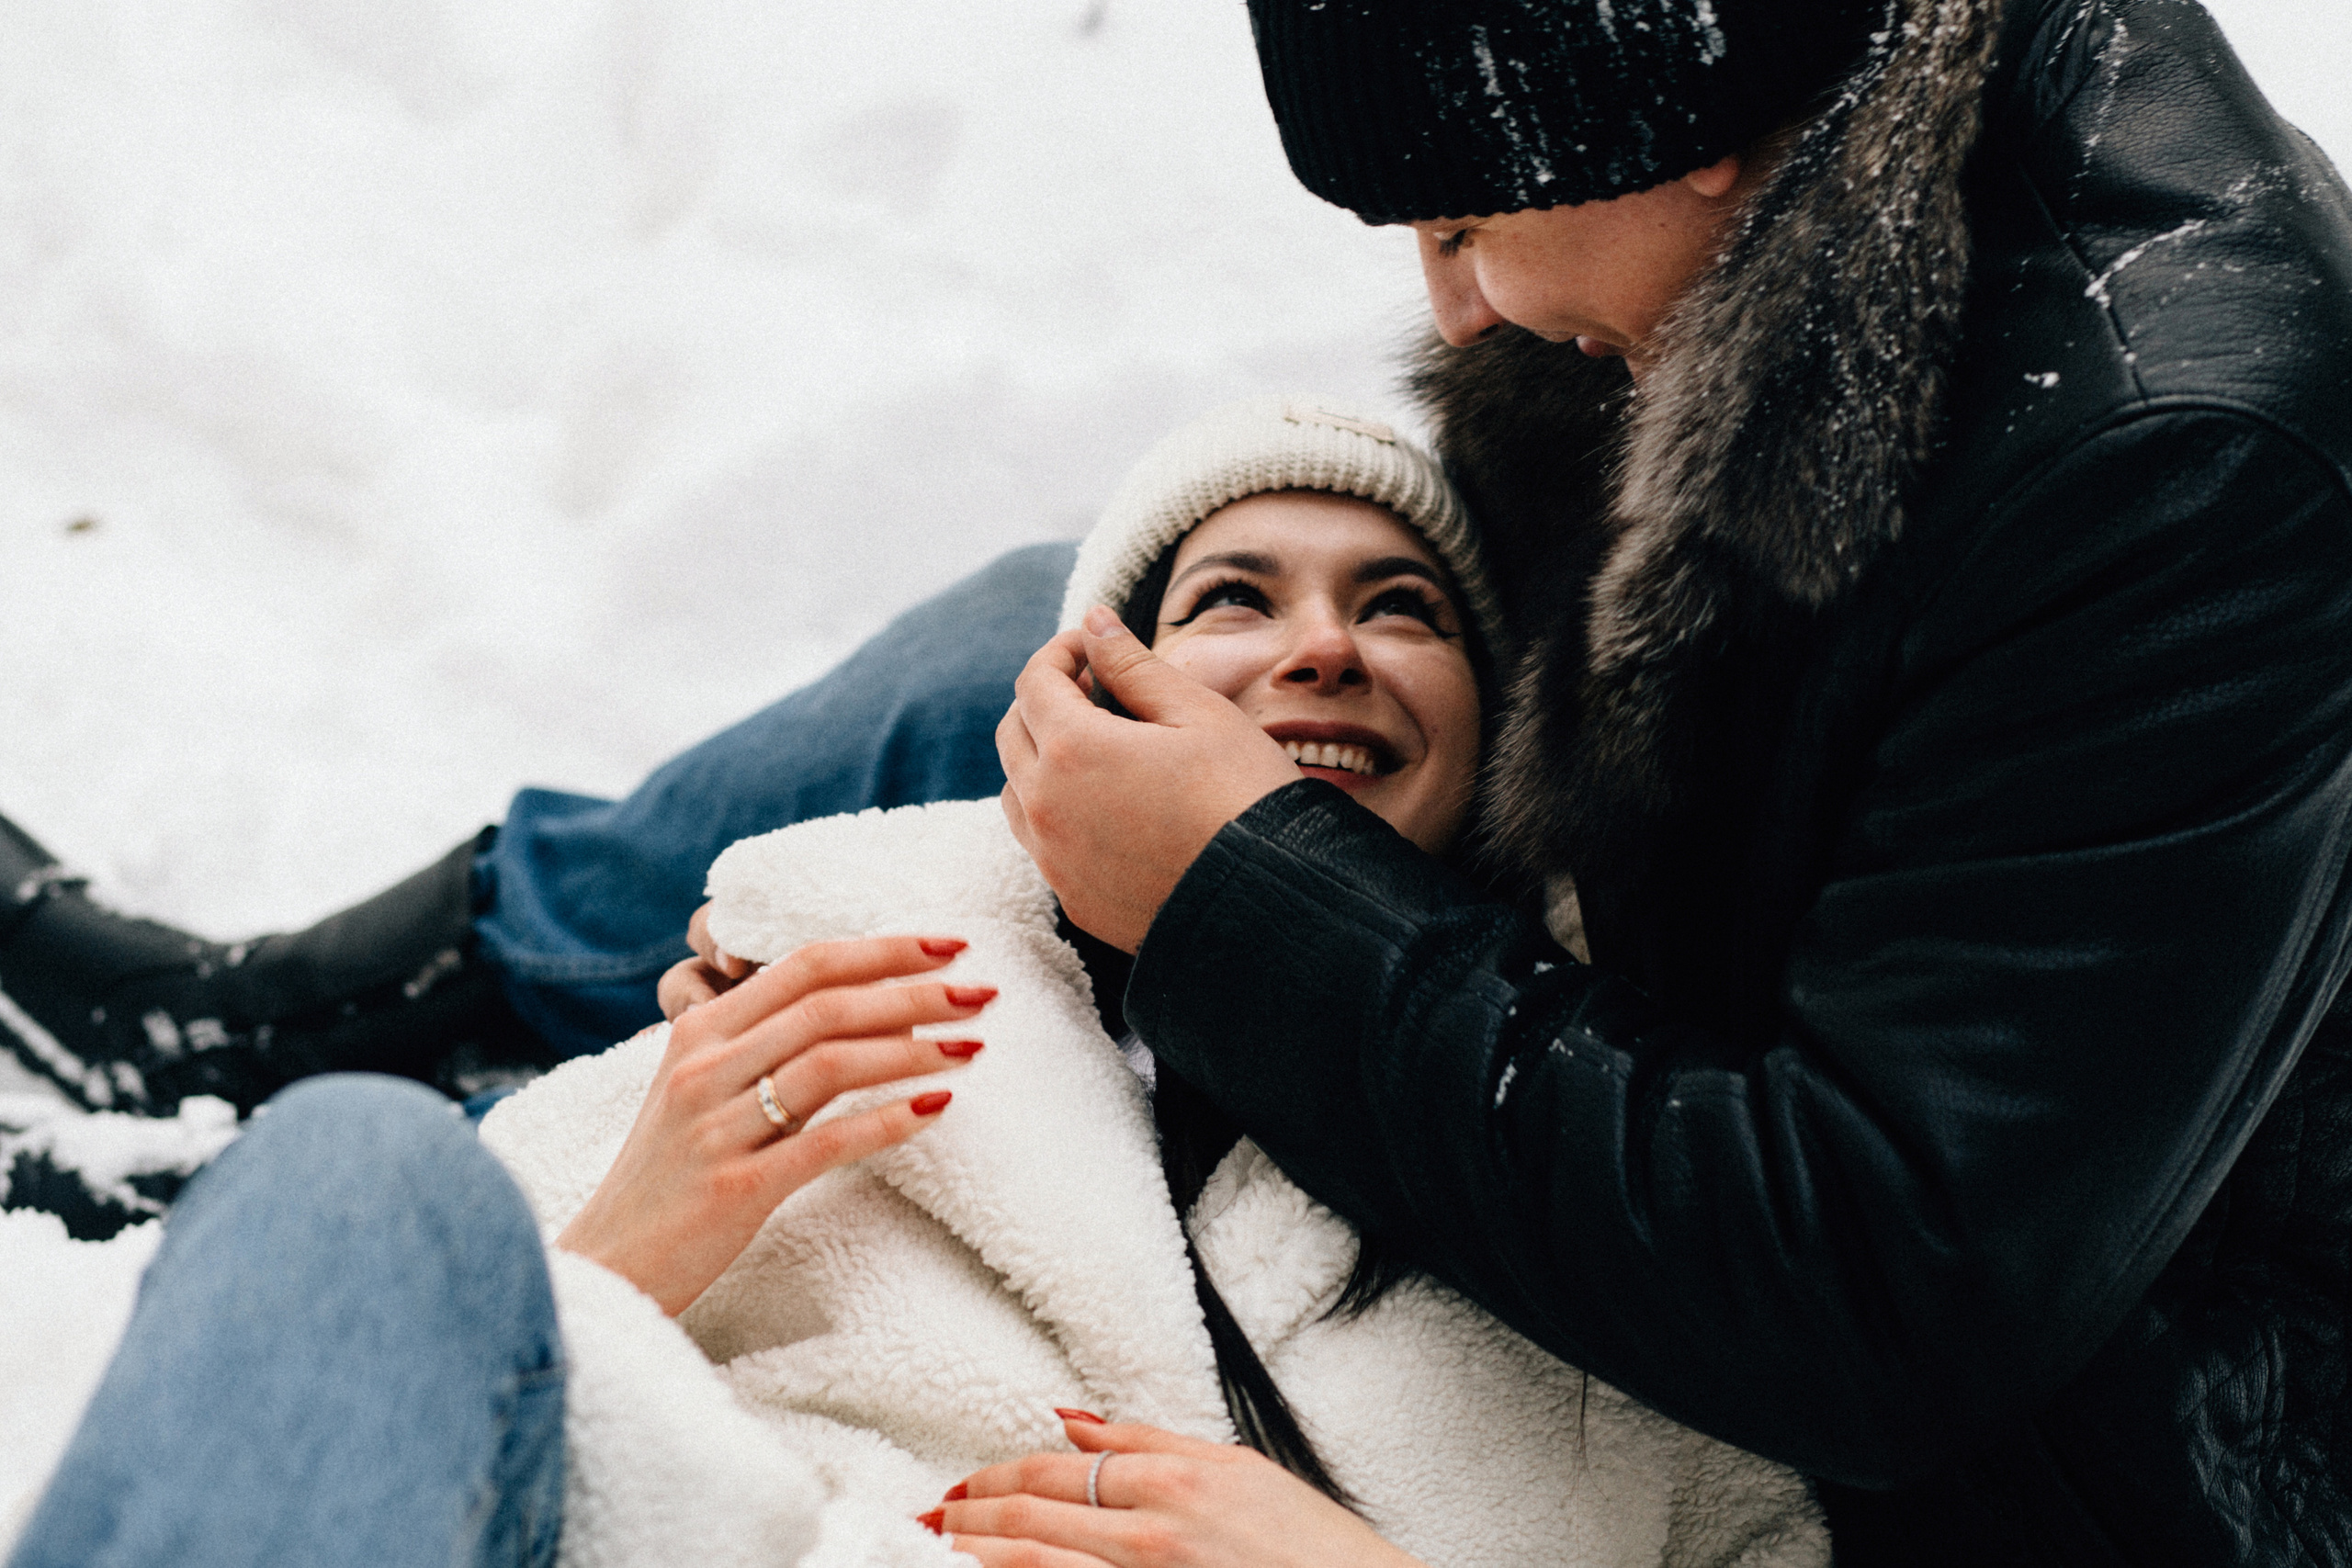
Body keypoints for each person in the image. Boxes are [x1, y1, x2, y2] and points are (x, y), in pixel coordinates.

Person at [6, 0, 2347, 1559]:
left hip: (2068, 1411)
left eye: (1456, 224)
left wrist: (1245, 879)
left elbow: (1884, 1290)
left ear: (1693, 151)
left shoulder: (2169, 461)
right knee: (1100, 594)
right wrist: (624, 1239)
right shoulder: (1760, 144)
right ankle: (374, 1001)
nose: (1440, 306)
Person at [6, 399, 1826, 1568]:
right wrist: (631, 1244)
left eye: (1404, 607)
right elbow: (398, 1404)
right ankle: (276, 1048)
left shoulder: (1603, 1147)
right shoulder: (843, 966)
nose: (1322, 645)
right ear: (1082, 710)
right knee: (346, 1171)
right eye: (1228, 602)